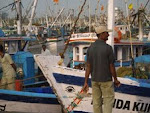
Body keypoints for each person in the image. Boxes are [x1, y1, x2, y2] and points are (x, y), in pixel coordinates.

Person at [82, 26, 121, 113]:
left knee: (96, 103)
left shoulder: (90, 48)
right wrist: (115, 79)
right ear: (101, 34)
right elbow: (111, 66)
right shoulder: (108, 48)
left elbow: (88, 66)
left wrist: (85, 82)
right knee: (108, 102)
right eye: (106, 33)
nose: (108, 34)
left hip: (94, 80)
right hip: (106, 80)